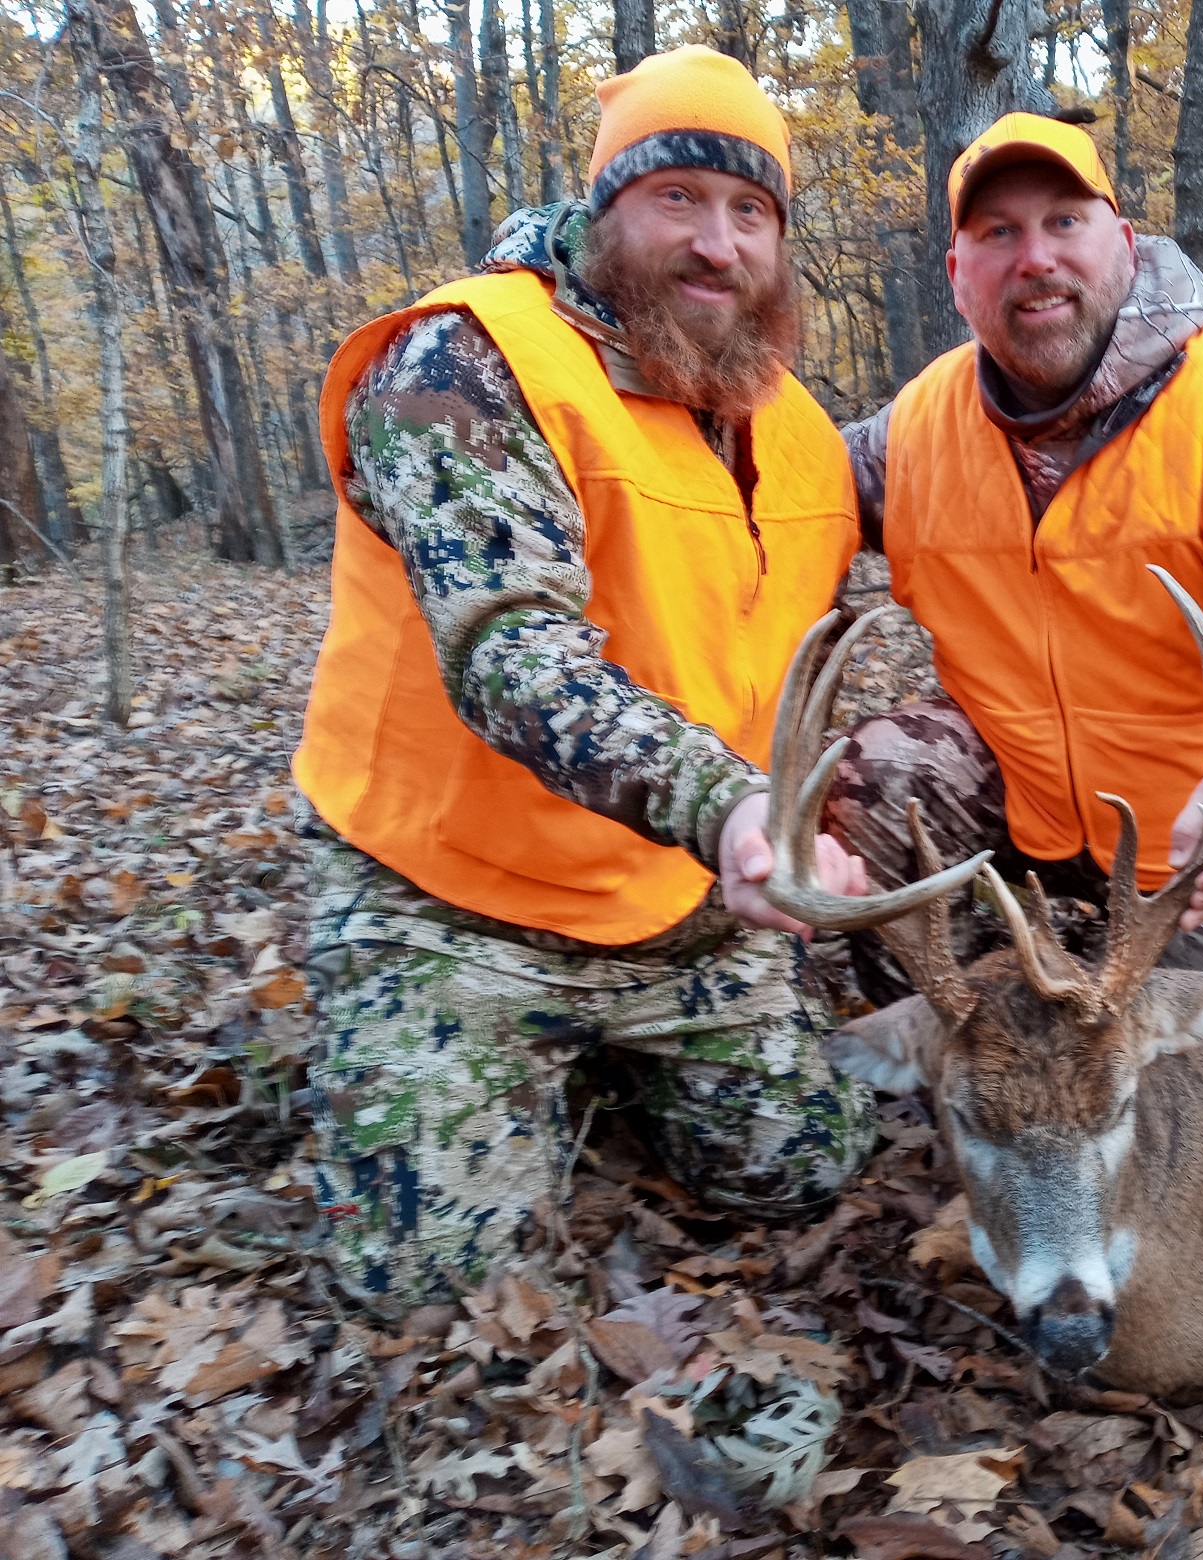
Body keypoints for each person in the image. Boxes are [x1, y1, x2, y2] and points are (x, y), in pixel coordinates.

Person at [294, 47, 878, 1307]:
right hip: (451, 900)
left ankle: (614, 1059)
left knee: (806, 1167)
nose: (716, 243)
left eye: (750, 211)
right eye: (678, 196)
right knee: (428, 1285)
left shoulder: (800, 435)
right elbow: (512, 655)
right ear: (608, 207)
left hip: (673, 909)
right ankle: (420, 1030)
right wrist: (733, 809)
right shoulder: (463, 364)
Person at [830, 114, 1203, 999]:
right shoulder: (918, 426)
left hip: (1198, 822)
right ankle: (959, 1033)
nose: (1035, 258)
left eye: (1064, 222)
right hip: (1018, 803)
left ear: (1122, 240)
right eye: (999, 233)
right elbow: (779, 499)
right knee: (885, 771)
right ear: (959, 278)